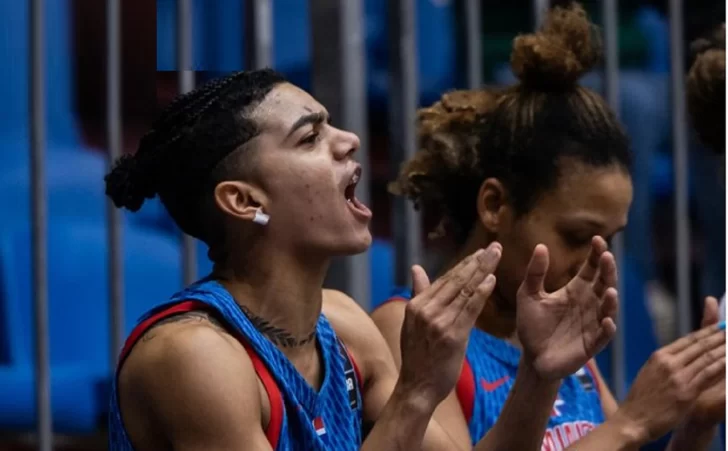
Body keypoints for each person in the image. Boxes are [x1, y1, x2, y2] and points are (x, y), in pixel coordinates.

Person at [104, 68, 624, 450]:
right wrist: (418, 391)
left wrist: (539, 374)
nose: (348, 140)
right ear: (245, 201)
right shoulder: (194, 356)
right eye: (310, 137)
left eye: (332, 127)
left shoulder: (344, 324)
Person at [371, 3, 726, 451]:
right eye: (577, 236)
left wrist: (695, 425)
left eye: (611, 240)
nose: (597, 262)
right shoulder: (411, 330)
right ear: (495, 205)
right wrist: (631, 422)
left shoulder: (558, 327)